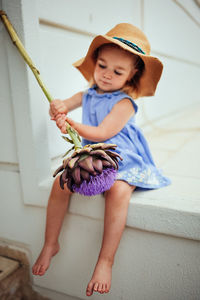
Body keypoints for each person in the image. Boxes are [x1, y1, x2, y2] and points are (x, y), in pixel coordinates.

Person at [32, 23, 171, 296]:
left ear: (132, 75)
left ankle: (105, 261)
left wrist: (71, 124)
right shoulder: (88, 94)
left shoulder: (124, 104)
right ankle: (50, 242)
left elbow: (103, 133)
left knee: (118, 190)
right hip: (92, 158)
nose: (106, 75)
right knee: (61, 181)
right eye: (102, 66)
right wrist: (58, 108)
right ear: (94, 62)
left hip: (121, 157)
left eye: (117, 71)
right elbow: (63, 105)